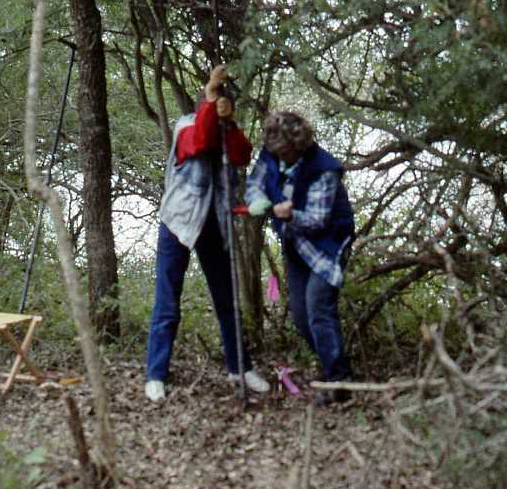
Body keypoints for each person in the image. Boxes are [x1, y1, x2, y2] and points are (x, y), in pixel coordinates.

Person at [145, 66, 271, 402]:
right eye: (213, 100)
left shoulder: (227, 131)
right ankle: (155, 374)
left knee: (227, 300)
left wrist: (226, 120)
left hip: (215, 223)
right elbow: (201, 142)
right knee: (168, 303)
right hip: (178, 223)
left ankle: (239, 366)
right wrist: (210, 99)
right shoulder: (186, 126)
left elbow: (242, 154)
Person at [245, 111, 355, 406]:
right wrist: (257, 200)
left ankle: (339, 381)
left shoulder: (324, 170)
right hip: (295, 245)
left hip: (327, 245)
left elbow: (318, 220)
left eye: (285, 151)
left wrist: (289, 213)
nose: (280, 156)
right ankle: (332, 367)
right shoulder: (270, 154)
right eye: (275, 151)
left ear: (299, 144)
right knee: (301, 317)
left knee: (319, 309)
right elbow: (255, 182)